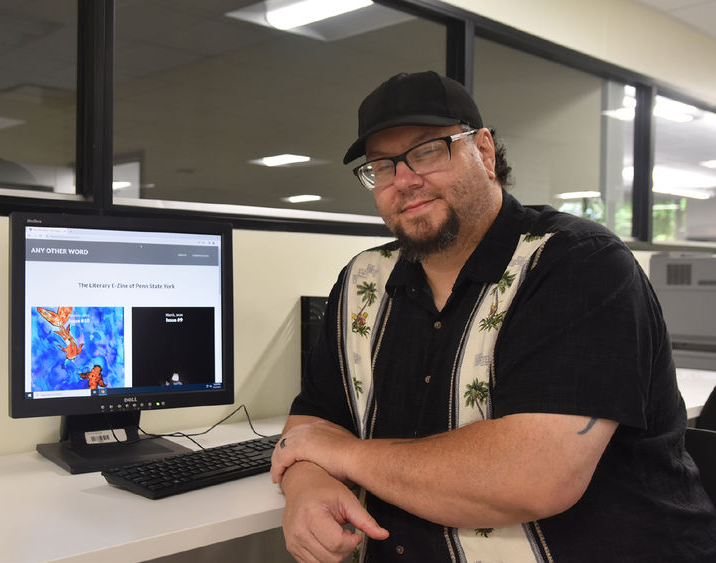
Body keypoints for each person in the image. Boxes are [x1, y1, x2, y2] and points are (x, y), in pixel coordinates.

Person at [270, 71, 716, 562]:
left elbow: (533, 476)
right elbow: (314, 420)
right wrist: (306, 482)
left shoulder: (577, 264)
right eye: (381, 165)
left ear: (483, 151)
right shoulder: (363, 280)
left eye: (427, 151)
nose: (404, 179)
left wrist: (343, 455)